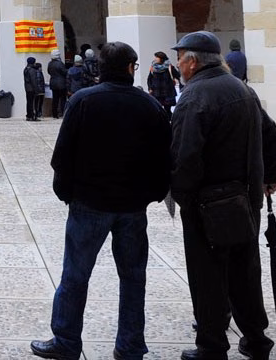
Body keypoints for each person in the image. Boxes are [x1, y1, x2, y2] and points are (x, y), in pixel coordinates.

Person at [31, 41, 172, 360]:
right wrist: (153, 193)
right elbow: (164, 157)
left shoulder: (83, 101)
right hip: (132, 206)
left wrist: (66, 191)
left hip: (89, 202)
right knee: (133, 278)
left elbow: (62, 154)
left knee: (75, 274)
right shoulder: (148, 106)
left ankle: (66, 341)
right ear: (129, 68)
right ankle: (130, 345)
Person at [169, 30, 275, 360]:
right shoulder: (242, 89)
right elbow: (271, 135)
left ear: (192, 62)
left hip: (208, 203)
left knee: (207, 274)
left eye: (180, 58)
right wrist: (270, 177)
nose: (177, 64)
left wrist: (183, 197)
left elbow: (185, 155)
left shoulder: (194, 96)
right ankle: (256, 340)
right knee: (245, 272)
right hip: (245, 199)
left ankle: (211, 345)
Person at [147, 51, 182, 120]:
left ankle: (169, 122)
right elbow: (149, 79)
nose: (155, 59)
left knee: (167, 110)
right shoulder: (153, 67)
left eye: (157, 57)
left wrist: (182, 86)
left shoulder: (169, 67)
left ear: (161, 58)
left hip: (167, 92)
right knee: (157, 108)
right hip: (156, 92)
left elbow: (178, 76)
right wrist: (150, 88)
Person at [23, 56, 47, 121]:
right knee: (33, 103)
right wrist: (37, 90)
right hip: (32, 89)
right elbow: (34, 81)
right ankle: (32, 116)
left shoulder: (26, 69)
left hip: (27, 88)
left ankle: (28, 116)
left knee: (29, 102)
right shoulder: (32, 70)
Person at [47, 52, 68, 119]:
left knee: (55, 99)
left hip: (53, 82)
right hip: (61, 83)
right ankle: (63, 112)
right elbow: (64, 72)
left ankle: (55, 114)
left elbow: (49, 72)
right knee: (63, 99)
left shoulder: (50, 63)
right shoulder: (60, 63)